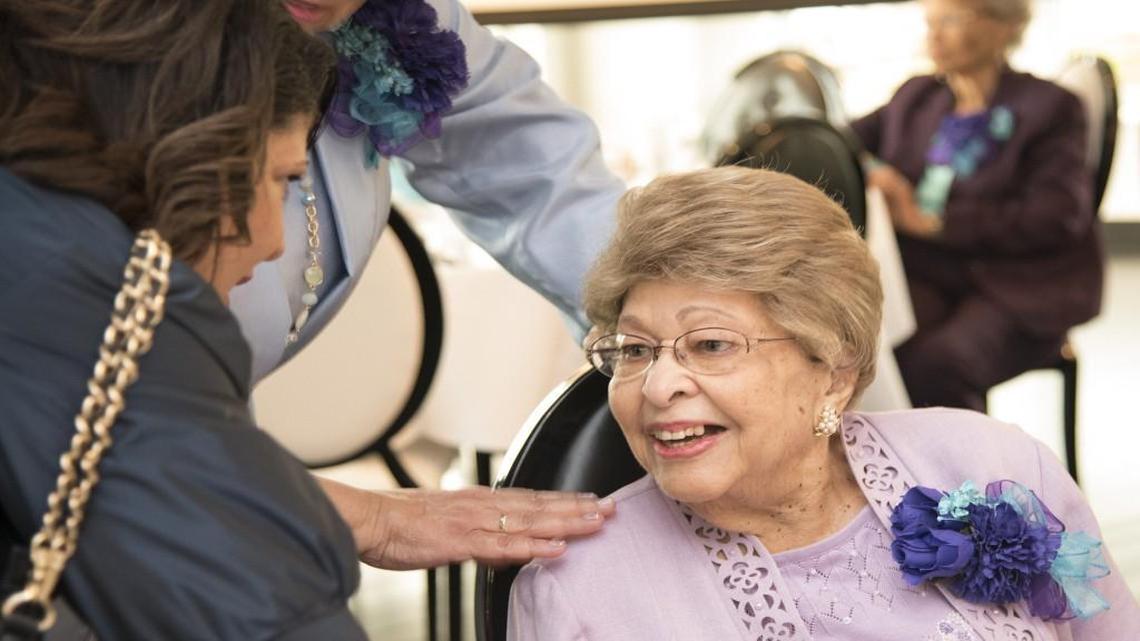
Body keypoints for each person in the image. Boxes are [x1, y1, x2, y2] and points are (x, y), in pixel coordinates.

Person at [508, 167, 1139, 640]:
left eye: (710, 344)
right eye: (635, 350)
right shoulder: (578, 590)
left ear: (833, 375)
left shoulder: (991, 463)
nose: (656, 386)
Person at [230, 0, 623, 571]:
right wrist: (369, 518)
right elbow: (95, 416)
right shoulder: (95, 73)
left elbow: (540, 179)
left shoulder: (396, 21)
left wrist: (688, 322)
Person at [850, 0, 1102, 411]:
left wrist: (929, 223)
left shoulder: (1051, 107)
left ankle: (965, 474)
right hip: (931, 270)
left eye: (950, 20)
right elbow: (842, 142)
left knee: (938, 364)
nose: (933, 35)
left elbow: (1055, 216)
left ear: (1008, 26)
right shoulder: (918, 95)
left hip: (1019, 284)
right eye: (930, 22)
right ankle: (883, 469)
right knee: (861, 340)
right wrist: (873, 170)